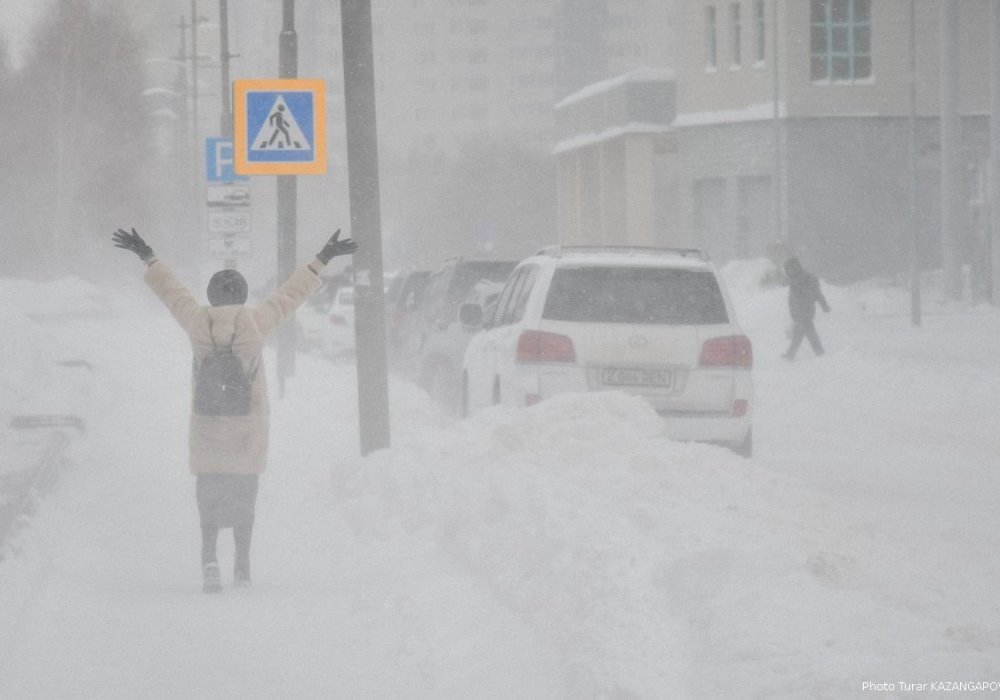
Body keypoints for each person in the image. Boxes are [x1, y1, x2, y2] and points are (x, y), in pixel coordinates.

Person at [112, 227, 357, 593]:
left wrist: (147, 254)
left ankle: (209, 559)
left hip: (208, 428)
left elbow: (172, 292)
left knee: (208, 497)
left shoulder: (197, 321)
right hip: (246, 431)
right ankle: (241, 565)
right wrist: (323, 257)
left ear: (210, 296)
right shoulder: (256, 321)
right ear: (243, 296)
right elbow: (290, 296)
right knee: (245, 498)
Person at [782, 256, 830, 360]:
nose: (787, 272)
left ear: (795, 267)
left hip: (805, 311)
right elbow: (792, 298)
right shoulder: (793, 280)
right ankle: (819, 353)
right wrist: (792, 311)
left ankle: (792, 354)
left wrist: (825, 306)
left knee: (804, 331)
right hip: (798, 311)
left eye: (788, 269)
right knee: (803, 332)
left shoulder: (809, 278)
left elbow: (818, 294)